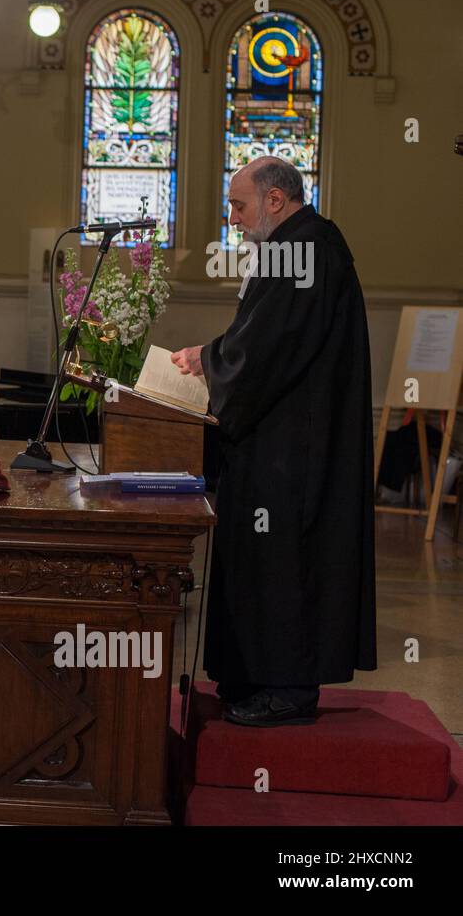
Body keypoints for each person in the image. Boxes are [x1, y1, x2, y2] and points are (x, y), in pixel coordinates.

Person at [170, 156, 376, 728]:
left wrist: (209, 360)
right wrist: (216, 355)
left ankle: (286, 690)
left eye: (239, 205)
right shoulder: (300, 246)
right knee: (263, 558)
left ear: (276, 201)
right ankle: (253, 675)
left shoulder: (305, 249)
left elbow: (269, 345)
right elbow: (259, 332)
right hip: (278, 439)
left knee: (288, 560)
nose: (232, 218)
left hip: (296, 449)